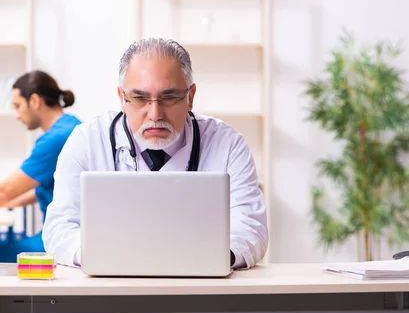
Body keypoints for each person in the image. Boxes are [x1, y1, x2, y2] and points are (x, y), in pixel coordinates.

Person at [43, 38, 268, 269]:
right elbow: (59, 227)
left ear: (190, 97)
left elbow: (250, 227)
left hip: (200, 289)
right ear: (122, 97)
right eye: (140, 98)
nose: (155, 114)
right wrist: (102, 257)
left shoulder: (228, 145)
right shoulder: (87, 141)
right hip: (110, 287)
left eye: (169, 98)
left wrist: (213, 258)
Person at [0, 70, 82, 251]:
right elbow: (48, 189)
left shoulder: (56, 139)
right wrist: (6, 202)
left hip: (59, 241)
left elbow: (5, 191)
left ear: (34, 101)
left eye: (17, 106)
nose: (17, 115)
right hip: (69, 235)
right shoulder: (71, 125)